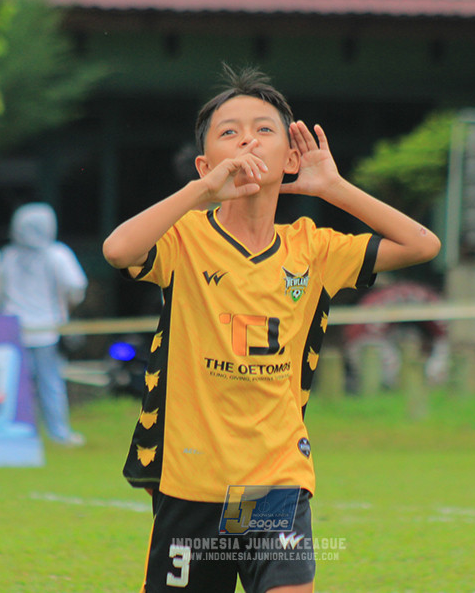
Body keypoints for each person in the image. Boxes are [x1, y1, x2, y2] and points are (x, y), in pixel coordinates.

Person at [102, 66, 441, 593]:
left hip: (275, 477)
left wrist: (335, 188)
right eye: (229, 132)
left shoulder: (314, 248)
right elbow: (118, 250)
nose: (246, 141)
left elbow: (423, 245)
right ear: (205, 162)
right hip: (192, 478)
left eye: (264, 129)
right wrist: (200, 193)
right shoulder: (184, 237)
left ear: (290, 157)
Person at [0, 203, 88, 447]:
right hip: (47, 329)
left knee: (16, 383)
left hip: (13, 329)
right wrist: (65, 308)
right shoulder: (57, 253)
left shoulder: (8, 255)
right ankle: (59, 433)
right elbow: (76, 287)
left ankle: (20, 432)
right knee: (51, 383)